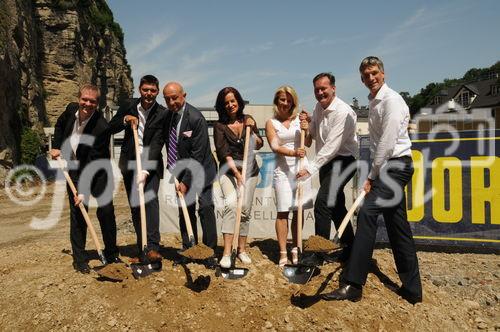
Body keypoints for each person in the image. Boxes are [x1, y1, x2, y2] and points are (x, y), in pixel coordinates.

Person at [322, 56, 422, 304]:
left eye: (374, 73)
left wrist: (370, 176)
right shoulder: (373, 101)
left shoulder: (392, 101)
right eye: (366, 76)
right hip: (387, 167)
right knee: (397, 225)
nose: (371, 78)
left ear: (383, 73)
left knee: (367, 212)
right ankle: (413, 289)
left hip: (395, 166)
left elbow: (387, 145)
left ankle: (353, 283)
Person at [50, 84, 119, 273]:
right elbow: (59, 125)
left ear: (98, 103)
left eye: (92, 101)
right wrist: (56, 146)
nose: (87, 104)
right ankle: (79, 259)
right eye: (85, 99)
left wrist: (82, 190)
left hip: (98, 169)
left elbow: (92, 162)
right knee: (79, 212)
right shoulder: (71, 109)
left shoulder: (101, 127)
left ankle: (112, 254)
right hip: (74, 167)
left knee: (105, 212)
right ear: (78, 98)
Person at [297, 72, 358, 263]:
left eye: (324, 88)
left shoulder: (343, 112)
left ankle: (318, 254)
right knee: (337, 206)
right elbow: (313, 135)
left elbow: (332, 146)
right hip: (327, 162)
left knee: (322, 203)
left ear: (333, 88)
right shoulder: (318, 107)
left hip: (345, 161)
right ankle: (350, 248)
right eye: (317, 89)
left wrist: (310, 169)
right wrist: (307, 124)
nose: (320, 92)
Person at [108, 75, 166, 263]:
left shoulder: (162, 113)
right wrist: (125, 119)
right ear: (140, 90)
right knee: (135, 207)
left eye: (153, 90)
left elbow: (158, 143)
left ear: (157, 92)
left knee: (150, 201)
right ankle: (142, 247)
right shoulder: (128, 105)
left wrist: (146, 170)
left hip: (151, 164)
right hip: (130, 163)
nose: (149, 94)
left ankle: (153, 248)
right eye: (145, 90)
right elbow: (111, 127)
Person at [162, 82, 218, 260]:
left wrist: (186, 182)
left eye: (175, 98)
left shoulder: (196, 118)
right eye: (167, 99)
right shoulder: (168, 117)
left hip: (201, 169)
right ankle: (189, 249)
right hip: (181, 169)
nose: (171, 102)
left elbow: (198, 154)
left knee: (206, 208)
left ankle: (209, 252)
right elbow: (168, 142)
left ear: (184, 95)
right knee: (185, 209)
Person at [214, 87, 263, 268]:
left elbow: (258, 143)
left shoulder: (248, 120)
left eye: (233, 101)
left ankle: (241, 250)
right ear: (222, 105)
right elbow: (223, 153)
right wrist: (236, 174)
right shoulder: (219, 126)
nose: (230, 105)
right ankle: (227, 252)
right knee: (231, 205)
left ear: (239, 101)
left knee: (245, 211)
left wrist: (253, 133)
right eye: (226, 102)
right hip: (229, 171)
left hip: (250, 171)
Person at [265, 85, 312, 267]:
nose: (285, 103)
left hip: (301, 168)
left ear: (293, 102)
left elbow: (307, 142)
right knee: (283, 211)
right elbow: (275, 146)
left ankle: (296, 247)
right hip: (283, 171)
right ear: (277, 101)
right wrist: (294, 153)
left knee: (298, 210)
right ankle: (283, 251)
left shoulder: (299, 121)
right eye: (282, 99)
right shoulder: (271, 123)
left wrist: (306, 129)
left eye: (289, 100)